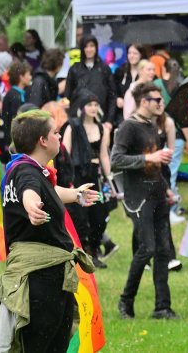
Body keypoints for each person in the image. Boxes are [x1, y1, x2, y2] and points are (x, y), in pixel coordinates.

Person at [0, 109, 99, 352]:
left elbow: (46, 190)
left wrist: (76, 195)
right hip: (41, 279)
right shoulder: (27, 172)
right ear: (42, 140)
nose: (59, 136)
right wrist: (32, 208)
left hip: (41, 277)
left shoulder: (20, 168)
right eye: (55, 132)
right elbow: (30, 192)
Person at [112, 83, 177, 320]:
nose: (161, 104)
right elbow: (116, 159)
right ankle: (125, 302)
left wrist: (166, 188)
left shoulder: (151, 125)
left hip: (158, 194)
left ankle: (162, 307)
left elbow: (154, 164)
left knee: (163, 251)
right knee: (147, 248)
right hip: (138, 199)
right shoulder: (128, 127)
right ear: (144, 102)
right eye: (156, 100)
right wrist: (149, 157)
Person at [62, 91, 112, 269]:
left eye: (96, 105)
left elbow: (104, 155)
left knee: (99, 215)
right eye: (89, 104)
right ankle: (81, 253)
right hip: (77, 175)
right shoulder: (72, 127)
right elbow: (65, 153)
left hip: (95, 175)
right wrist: (67, 180)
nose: (93, 108)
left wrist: (110, 179)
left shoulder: (101, 128)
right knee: (81, 217)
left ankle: (94, 250)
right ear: (82, 107)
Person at [65, 36, 117, 127]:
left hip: (100, 117)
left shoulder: (104, 69)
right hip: (78, 117)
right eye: (86, 46)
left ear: (96, 48)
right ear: (82, 49)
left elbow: (112, 96)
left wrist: (109, 120)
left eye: (92, 46)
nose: (89, 49)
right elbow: (68, 95)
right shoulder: (75, 69)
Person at [1, 62, 32, 156]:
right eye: (29, 74)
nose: (30, 77)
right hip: (13, 141)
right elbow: (16, 119)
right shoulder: (14, 96)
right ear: (21, 77)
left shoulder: (18, 94)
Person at [114, 44, 147, 120]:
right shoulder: (120, 71)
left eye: (135, 53)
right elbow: (113, 89)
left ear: (141, 55)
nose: (131, 56)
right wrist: (117, 98)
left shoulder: (146, 72)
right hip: (121, 113)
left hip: (140, 114)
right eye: (129, 53)